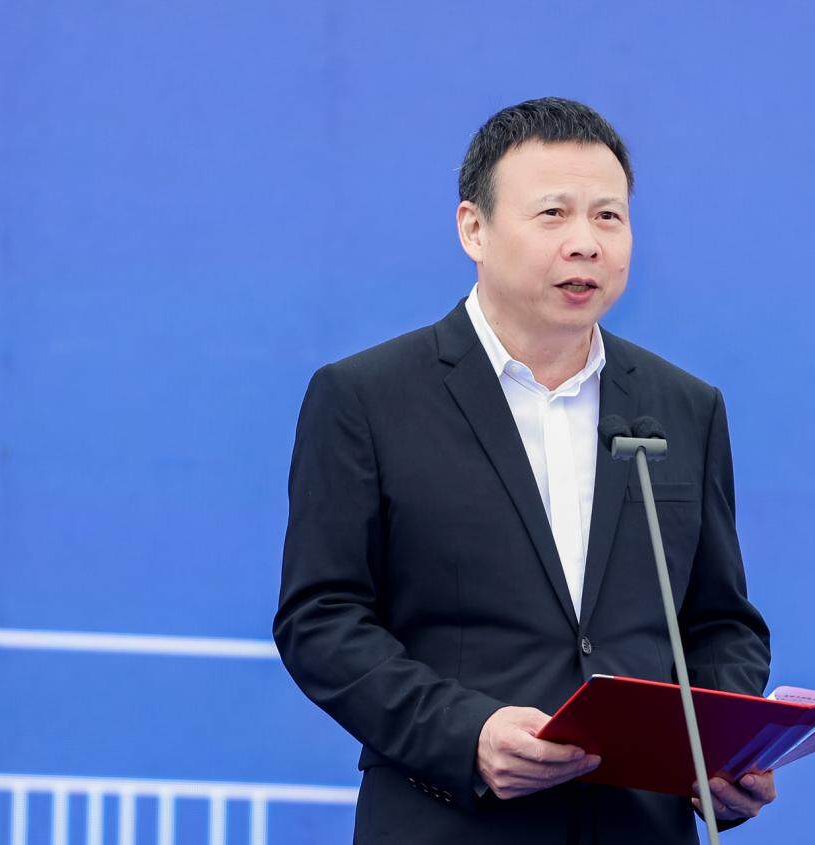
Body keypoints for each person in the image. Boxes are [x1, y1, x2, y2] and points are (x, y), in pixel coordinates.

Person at [274, 97, 775, 844]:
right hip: (451, 822)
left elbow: (718, 621)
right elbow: (321, 618)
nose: (585, 244)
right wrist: (466, 733)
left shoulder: (684, 407)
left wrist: (721, 745)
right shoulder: (367, 398)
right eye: (552, 214)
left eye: (608, 217)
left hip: (637, 827)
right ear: (473, 229)